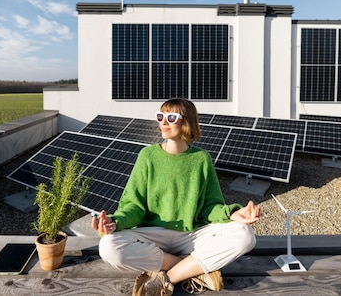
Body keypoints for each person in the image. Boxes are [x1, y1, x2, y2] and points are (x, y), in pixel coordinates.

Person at [91, 98, 262, 296]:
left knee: (245, 236)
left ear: (187, 122)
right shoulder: (147, 156)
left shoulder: (201, 159)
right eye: (160, 116)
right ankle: (192, 269)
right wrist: (115, 222)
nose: (163, 122)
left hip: (192, 235)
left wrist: (232, 213)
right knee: (108, 246)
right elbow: (133, 205)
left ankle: (169, 277)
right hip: (153, 235)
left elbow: (210, 206)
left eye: (171, 117)